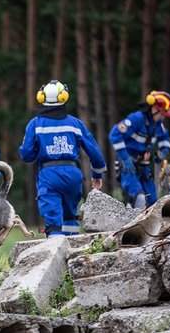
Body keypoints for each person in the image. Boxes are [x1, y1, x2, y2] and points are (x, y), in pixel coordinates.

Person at [19, 80, 106, 237]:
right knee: (70, 218)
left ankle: (55, 250)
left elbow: (26, 155)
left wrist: (40, 150)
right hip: (73, 175)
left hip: (49, 175)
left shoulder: (36, 124)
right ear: (64, 97)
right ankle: (73, 252)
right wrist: (97, 174)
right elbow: (94, 152)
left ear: (42, 98)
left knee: (53, 222)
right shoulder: (75, 123)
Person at [108, 90, 170, 208]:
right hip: (129, 166)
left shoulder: (158, 125)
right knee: (138, 198)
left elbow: (165, 141)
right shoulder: (136, 119)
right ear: (154, 108)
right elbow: (114, 134)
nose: (162, 118)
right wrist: (125, 158)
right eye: (162, 114)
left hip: (144, 167)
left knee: (153, 203)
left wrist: (161, 154)